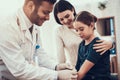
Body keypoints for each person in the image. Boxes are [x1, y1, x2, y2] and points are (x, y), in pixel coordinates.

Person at [0, 0, 77, 80]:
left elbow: (39, 53)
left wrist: (56, 66)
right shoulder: (7, 27)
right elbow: (20, 70)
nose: (48, 18)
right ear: (30, 6)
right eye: (45, 12)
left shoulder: (34, 26)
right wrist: (56, 75)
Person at [53, 0, 113, 67]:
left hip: (94, 68)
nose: (66, 21)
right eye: (61, 19)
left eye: (67, 16)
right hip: (75, 68)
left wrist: (110, 45)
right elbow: (60, 57)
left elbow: (98, 39)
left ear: (72, 10)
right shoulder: (59, 31)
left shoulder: (83, 21)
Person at [74, 11, 111, 80]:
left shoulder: (97, 44)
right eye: (76, 30)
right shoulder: (81, 45)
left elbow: (81, 73)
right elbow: (77, 67)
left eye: (81, 29)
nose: (78, 33)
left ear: (91, 25)